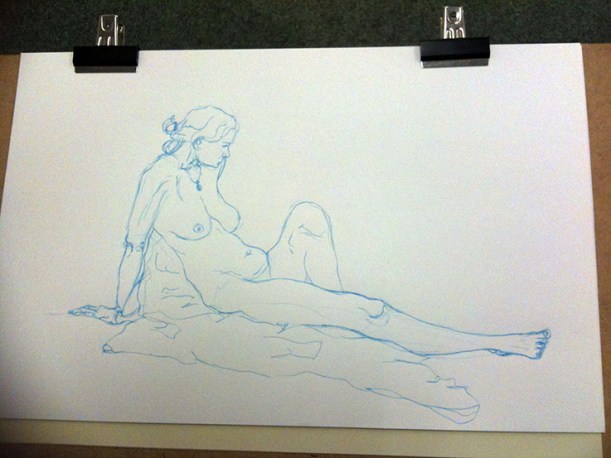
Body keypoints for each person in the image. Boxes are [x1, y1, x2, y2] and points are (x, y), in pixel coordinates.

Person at [73, 105, 550, 361]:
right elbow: (133, 248)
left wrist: (211, 177)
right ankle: (500, 343)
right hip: (233, 290)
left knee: (307, 215)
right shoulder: (158, 179)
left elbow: (225, 221)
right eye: (223, 144)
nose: (229, 151)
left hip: (260, 267)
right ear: (197, 142)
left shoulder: (201, 172)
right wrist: (121, 309)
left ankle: (333, 310)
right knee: (368, 310)